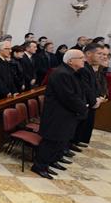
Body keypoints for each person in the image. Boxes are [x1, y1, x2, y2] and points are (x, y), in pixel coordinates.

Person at [32, 50, 88, 179]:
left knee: (61, 139)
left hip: (67, 114)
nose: (83, 60)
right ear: (70, 61)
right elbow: (68, 96)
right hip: (57, 114)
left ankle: (51, 161)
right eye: (81, 58)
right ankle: (40, 165)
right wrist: (82, 107)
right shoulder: (61, 73)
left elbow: (78, 93)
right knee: (51, 140)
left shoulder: (72, 73)